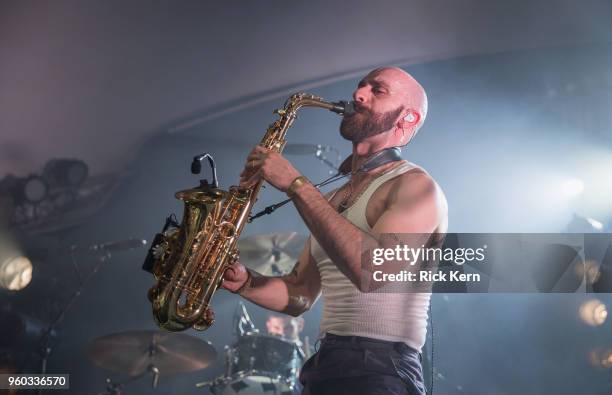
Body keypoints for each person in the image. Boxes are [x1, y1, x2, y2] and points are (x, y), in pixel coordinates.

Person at [222, 67, 448, 395]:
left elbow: (371, 271)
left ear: (408, 118)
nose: (359, 95)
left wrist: (296, 185)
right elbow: (300, 294)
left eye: (378, 91)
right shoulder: (330, 200)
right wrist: (246, 282)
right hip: (325, 362)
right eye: (361, 86)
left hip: (383, 368)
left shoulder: (416, 186)